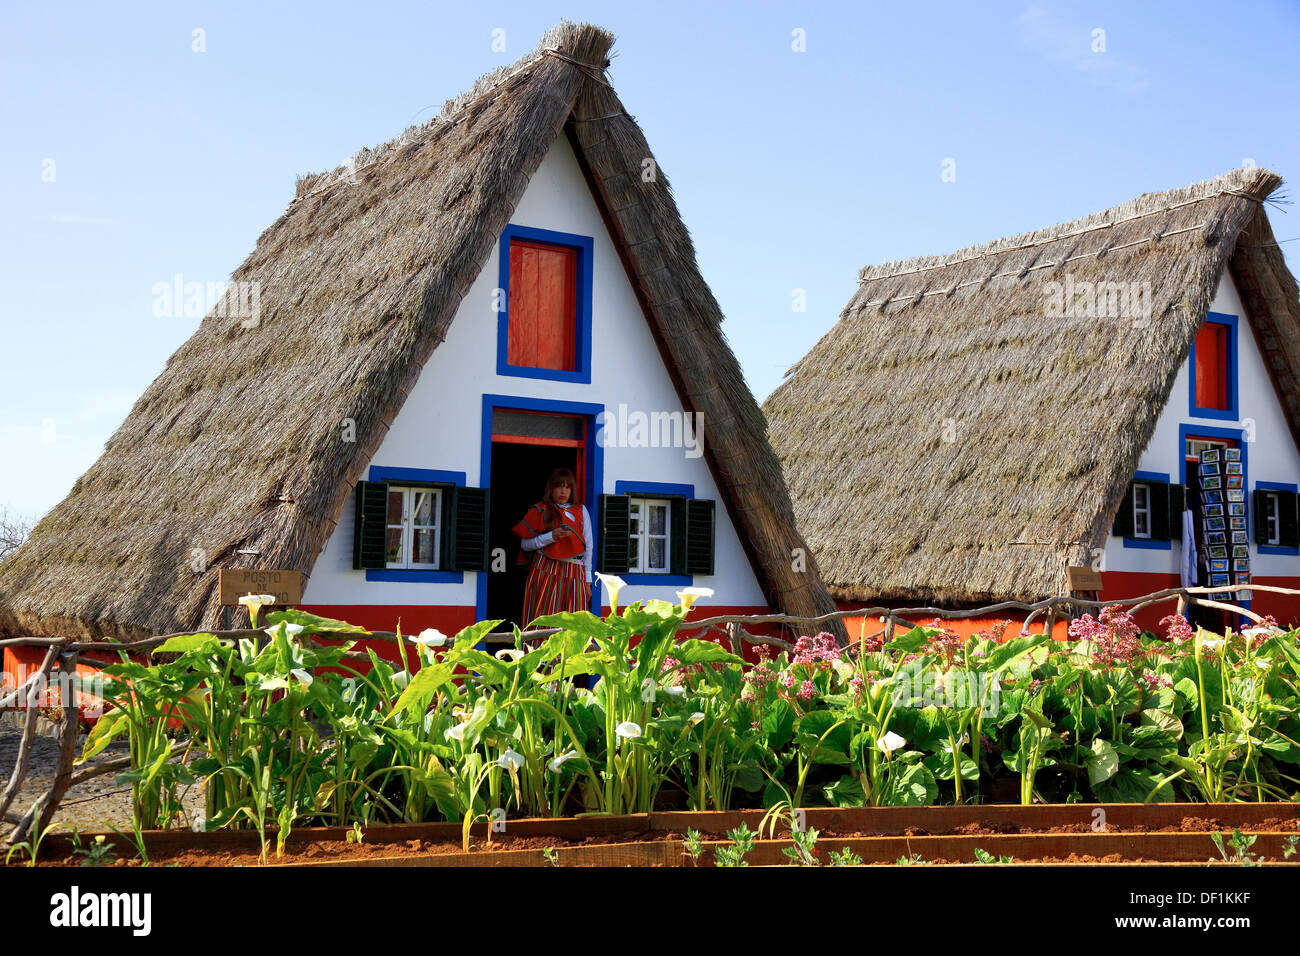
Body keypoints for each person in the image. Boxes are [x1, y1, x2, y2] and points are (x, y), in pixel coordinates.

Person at [511, 468, 593, 626]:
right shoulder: (540, 510)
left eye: (567, 487)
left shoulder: (581, 511)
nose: (563, 491)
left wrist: (587, 582)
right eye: (559, 486)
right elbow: (525, 545)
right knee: (542, 622)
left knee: (575, 625)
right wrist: (551, 537)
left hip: (575, 572)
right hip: (545, 571)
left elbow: (588, 547)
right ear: (551, 489)